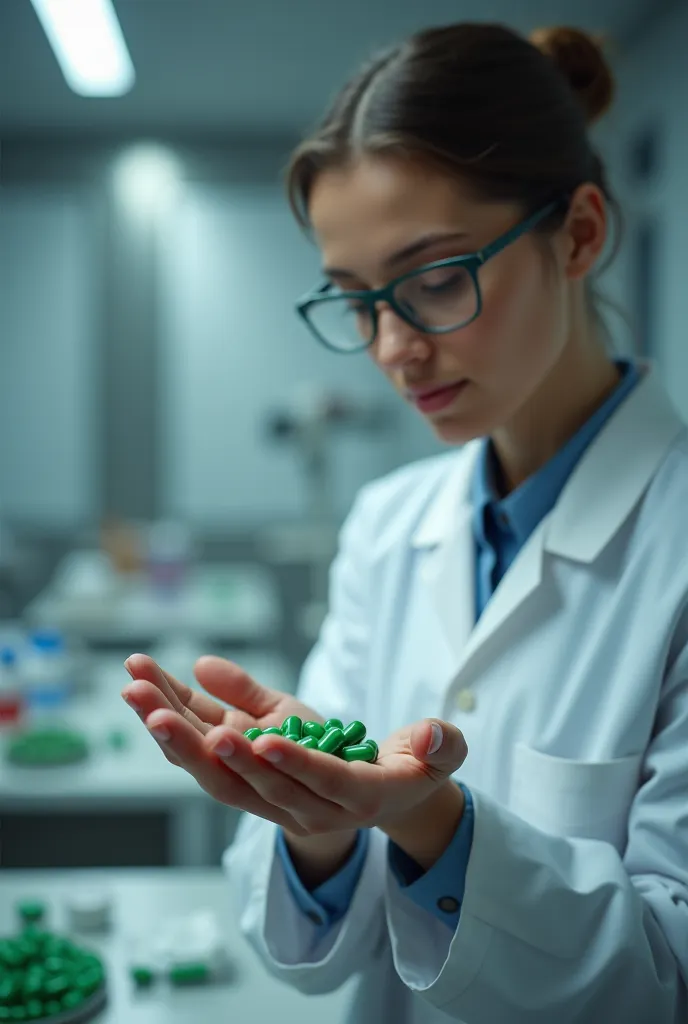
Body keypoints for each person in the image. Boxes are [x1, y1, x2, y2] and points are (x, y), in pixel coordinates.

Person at [121, 21, 688, 1024]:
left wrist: (435, 822)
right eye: (355, 301)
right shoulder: (386, 526)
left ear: (581, 234)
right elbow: (302, 950)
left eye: (434, 280)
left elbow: (664, 978)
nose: (393, 348)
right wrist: (315, 827)